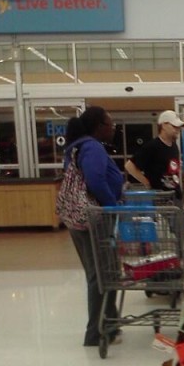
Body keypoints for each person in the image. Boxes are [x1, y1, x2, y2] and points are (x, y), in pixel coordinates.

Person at [63, 106, 124, 347]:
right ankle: (96, 332)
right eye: (110, 124)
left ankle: (108, 323)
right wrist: (112, 205)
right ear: (99, 126)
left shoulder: (79, 146)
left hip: (82, 219)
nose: (113, 128)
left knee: (103, 273)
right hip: (95, 219)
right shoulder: (92, 147)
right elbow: (95, 180)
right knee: (101, 275)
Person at [124, 110, 184, 197]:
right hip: (160, 197)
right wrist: (147, 183)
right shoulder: (153, 146)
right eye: (174, 126)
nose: (177, 130)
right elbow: (129, 166)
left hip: (174, 194)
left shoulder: (174, 146)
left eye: (179, 127)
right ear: (164, 125)